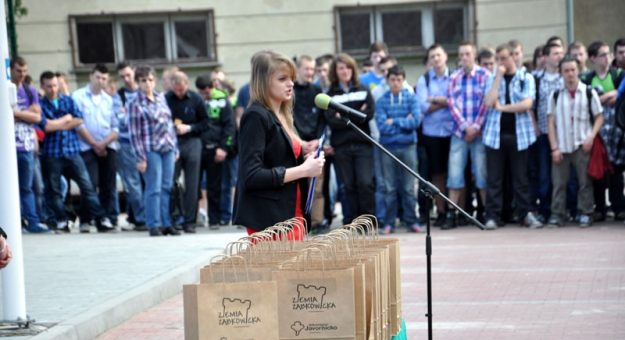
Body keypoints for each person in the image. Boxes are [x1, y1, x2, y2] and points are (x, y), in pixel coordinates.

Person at [233, 50, 324, 239]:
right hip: (270, 218)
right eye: (282, 79)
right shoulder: (255, 116)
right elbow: (251, 175)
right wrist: (303, 170)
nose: (291, 83)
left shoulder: (281, 114)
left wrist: (307, 160)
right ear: (264, 81)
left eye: (291, 78)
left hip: (291, 212)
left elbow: (279, 159)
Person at [38, 71, 115, 233]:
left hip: (72, 151)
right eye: (49, 86)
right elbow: (46, 126)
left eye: (55, 85)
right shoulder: (41, 104)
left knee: (87, 187)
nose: (52, 89)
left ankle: (100, 218)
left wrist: (56, 123)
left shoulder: (67, 100)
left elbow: (79, 120)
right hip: (52, 154)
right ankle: (62, 220)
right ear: (42, 87)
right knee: (55, 190)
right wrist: (66, 120)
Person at [483, 43, 542, 230]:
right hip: (495, 135)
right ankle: (493, 216)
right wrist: (498, 77)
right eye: (497, 59)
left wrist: (503, 108)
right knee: (494, 179)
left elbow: (526, 104)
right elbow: (488, 102)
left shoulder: (526, 77)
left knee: (521, 179)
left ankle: (525, 214)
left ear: (512, 58)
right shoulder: (493, 78)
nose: (500, 62)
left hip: (520, 135)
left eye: (503, 58)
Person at [547, 56, 604, 228]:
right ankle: (557, 214)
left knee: (584, 182)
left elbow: (599, 117)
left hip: (582, 144)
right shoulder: (555, 95)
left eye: (573, 70)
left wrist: (591, 137)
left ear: (578, 70)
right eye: (566, 70)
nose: (570, 74)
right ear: (561, 73)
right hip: (562, 146)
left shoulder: (588, 92)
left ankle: (585, 212)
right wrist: (554, 147)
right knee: (558, 183)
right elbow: (551, 122)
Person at [128, 64, 180, 237]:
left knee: (167, 187)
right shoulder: (134, 103)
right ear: (138, 82)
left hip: (167, 148)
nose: (147, 84)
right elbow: (134, 133)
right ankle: (154, 224)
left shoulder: (161, 97)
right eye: (143, 81)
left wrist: (175, 147)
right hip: (150, 149)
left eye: (150, 80)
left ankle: (167, 223)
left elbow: (169, 125)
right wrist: (140, 158)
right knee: (154, 188)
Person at [325, 53, 376, 224]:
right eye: (341, 68)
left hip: (362, 145)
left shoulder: (363, 90)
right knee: (348, 186)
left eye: (348, 67)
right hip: (342, 147)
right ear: (335, 71)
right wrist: (356, 114)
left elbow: (368, 115)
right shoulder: (330, 94)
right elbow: (331, 119)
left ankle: (368, 220)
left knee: (365, 183)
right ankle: (354, 222)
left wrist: (344, 116)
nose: (345, 71)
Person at [444, 41, 490, 230]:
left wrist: (476, 126)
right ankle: (451, 214)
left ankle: (486, 212)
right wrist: (465, 127)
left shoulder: (485, 76)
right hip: (459, 133)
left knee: (482, 175)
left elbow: (487, 103)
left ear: (474, 55)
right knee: (454, 176)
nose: (463, 58)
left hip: (479, 133)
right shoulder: (454, 77)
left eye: (467, 54)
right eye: (461, 55)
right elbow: (451, 103)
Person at [72, 64, 120, 231]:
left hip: (108, 146)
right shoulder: (78, 96)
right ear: (91, 76)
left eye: (104, 79)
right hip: (86, 146)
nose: (101, 81)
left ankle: (104, 219)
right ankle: (85, 218)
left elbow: (115, 126)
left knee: (108, 184)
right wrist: (94, 143)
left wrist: (104, 143)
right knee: (90, 183)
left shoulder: (109, 99)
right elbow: (78, 124)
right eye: (98, 77)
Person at [582, 41, 625, 221]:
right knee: (598, 170)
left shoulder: (618, 74)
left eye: (608, 54)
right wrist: (609, 95)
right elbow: (586, 100)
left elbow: (619, 95)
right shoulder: (587, 78)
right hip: (597, 130)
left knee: (616, 170)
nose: (607, 58)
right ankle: (599, 207)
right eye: (603, 55)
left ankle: (619, 207)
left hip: (616, 130)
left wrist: (601, 97)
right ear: (593, 58)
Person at [376, 65, 422, 234]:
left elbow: (416, 122)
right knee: (389, 188)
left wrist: (393, 121)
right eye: (392, 80)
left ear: (403, 80)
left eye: (399, 80)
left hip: (408, 147)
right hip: (388, 148)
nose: (396, 83)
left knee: (409, 187)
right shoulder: (382, 101)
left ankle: (412, 221)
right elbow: (382, 126)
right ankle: (389, 223)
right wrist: (404, 121)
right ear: (388, 81)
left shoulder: (411, 98)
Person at [10, 56, 50, 233]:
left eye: (25, 71)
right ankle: (15, 223)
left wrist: (17, 114)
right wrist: (27, 113)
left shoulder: (29, 90)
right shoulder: (7, 88)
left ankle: (33, 221)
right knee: (11, 188)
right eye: (18, 71)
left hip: (26, 145)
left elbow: (38, 117)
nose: (22, 74)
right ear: (10, 70)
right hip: (9, 146)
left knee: (29, 187)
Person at [165, 71, 209, 233]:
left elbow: (206, 123)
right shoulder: (167, 99)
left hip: (192, 141)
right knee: (173, 182)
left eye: (181, 90)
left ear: (187, 85)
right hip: (173, 142)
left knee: (192, 183)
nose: (179, 93)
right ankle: (175, 217)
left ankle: (190, 221)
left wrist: (189, 128)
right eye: (176, 90)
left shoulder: (196, 99)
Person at [416, 44, 454, 227]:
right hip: (432, 134)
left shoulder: (454, 76)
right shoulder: (424, 79)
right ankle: (441, 212)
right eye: (432, 56)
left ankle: (455, 211)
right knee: (437, 175)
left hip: (453, 131)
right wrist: (446, 101)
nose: (436, 59)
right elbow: (423, 106)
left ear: (445, 56)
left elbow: (457, 100)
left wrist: (433, 99)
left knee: (454, 173)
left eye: (439, 55)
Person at [529, 43, 564, 222]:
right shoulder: (536, 79)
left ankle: (566, 209)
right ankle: (544, 210)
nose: (559, 56)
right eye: (555, 53)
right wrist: (535, 126)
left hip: (564, 133)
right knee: (543, 175)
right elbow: (531, 107)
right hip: (543, 133)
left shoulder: (565, 77)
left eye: (561, 53)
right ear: (546, 56)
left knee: (564, 175)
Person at [195, 74, 235, 230]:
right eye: (203, 92)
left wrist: (224, 147)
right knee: (195, 186)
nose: (206, 94)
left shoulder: (223, 101)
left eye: (208, 91)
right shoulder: (197, 100)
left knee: (215, 186)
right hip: (199, 148)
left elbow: (229, 126)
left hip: (216, 149)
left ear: (213, 86)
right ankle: (193, 218)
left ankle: (214, 219)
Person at [292, 55, 326, 232]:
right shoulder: (291, 93)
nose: (310, 73)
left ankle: (317, 222)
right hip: (297, 144)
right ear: (297, 69)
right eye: (306, 69)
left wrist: (317, 140)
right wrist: (300, 142)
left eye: (312, 69)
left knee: (317, 187)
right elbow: (289, 119)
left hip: (315, 144)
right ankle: (300, 222)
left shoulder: (317, 92)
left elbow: (322, 119)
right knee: (299, 186)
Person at [115, 61, 146, 230]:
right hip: (127, 144)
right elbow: (121, 120)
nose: (126, 79)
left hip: (147, 142)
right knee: (133, 184)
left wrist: (132, 115)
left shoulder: (145, 91)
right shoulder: (118, 96)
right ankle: (141, 218)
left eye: (128, 75)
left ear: (134, 72)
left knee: (149, 183)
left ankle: (149, 216)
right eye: (122, 77)